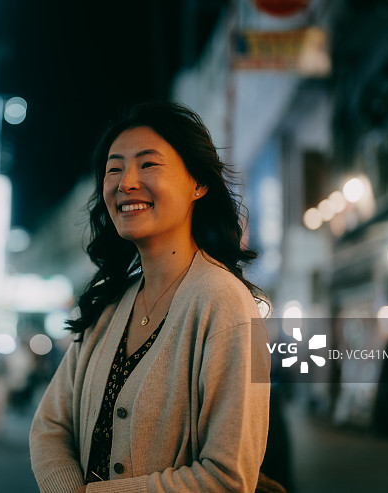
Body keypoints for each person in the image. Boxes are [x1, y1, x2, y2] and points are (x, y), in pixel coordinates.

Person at [29, 101, 272, 492]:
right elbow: (49, 426)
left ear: (198, 183)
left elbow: (229, 477)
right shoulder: (107, 306)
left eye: (148, 164)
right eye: (114, 168)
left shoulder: (226, 304)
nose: (126, 182)